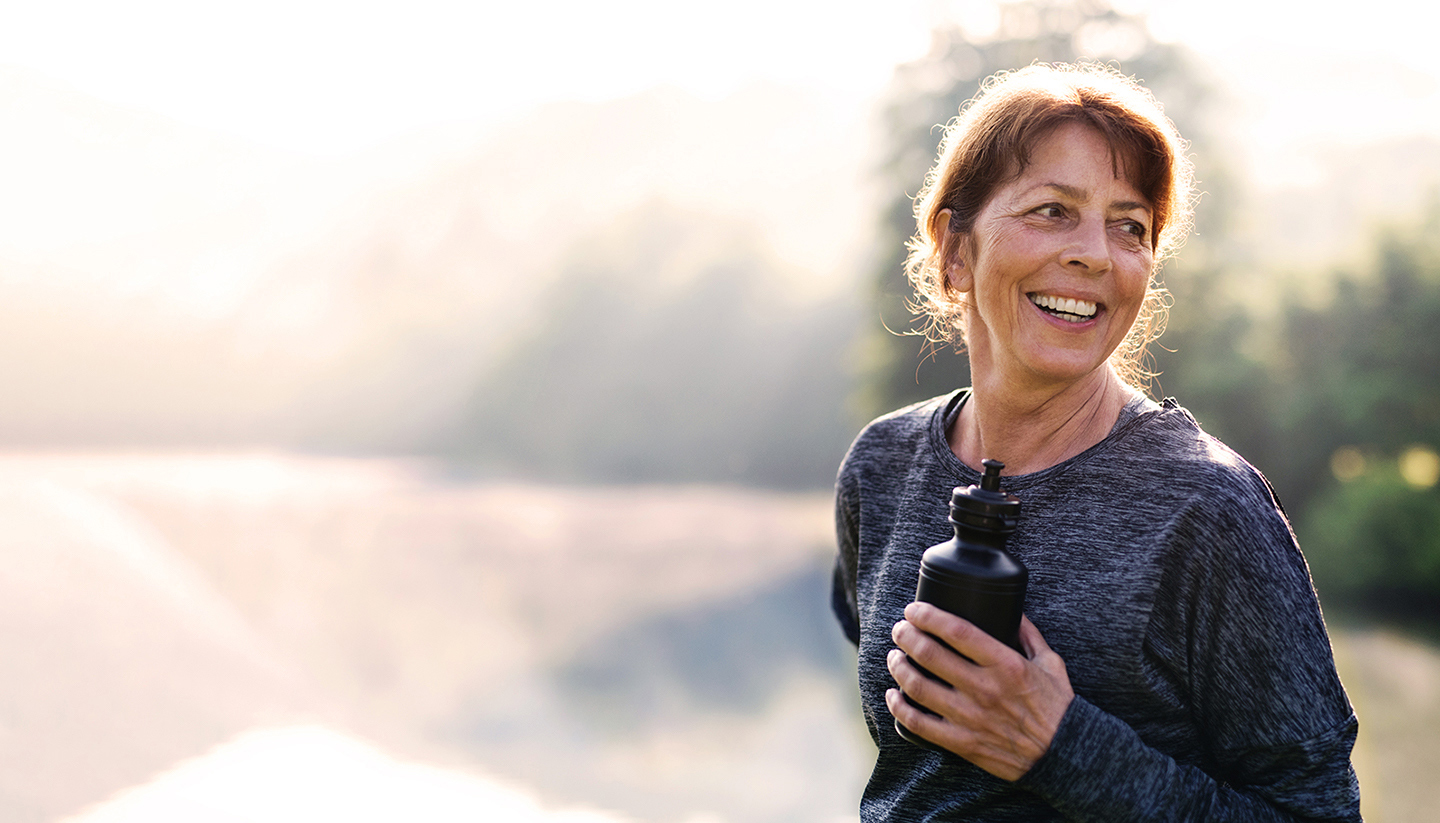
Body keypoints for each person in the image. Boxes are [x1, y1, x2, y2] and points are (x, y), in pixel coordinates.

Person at [831, 63, 1362, 821]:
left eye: (1129, 226)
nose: (1096, 254)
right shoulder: (883, 464)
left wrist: (1061, 746)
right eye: (1052, 210)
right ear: (955, 250)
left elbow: (1318, 814)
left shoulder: (1210, 507)